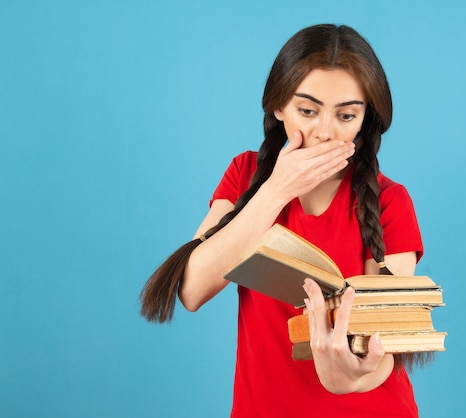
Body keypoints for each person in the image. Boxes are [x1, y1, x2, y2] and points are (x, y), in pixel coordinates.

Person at [141, 24, 426, 417]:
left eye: (346, 115)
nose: (324, 132)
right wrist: (276, 190)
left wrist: (352, 376)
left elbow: (384, 348)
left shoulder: (390, 201)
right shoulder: (245, 175)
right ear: (278, 106)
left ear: (365, 119)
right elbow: (192, 290)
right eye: (307, 111)